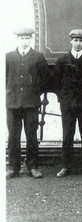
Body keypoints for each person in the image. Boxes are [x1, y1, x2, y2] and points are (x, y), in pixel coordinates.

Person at [53, 29, 82, 177]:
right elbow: (56, 83)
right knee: (67, 135)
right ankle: (66, 166)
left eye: (81, 41)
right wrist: (63, 99)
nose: (78, 44)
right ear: (71, 41)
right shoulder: (62, 61)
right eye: (76, 41)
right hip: (68, 106)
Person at [6, 27, 51, 179]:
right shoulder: (8, 57)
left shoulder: (38, 57)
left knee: (31, 135)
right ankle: (13, 166)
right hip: (13, 102)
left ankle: (33, 166)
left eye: (27, 39)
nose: (24, 42)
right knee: (13, 136)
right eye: (21, 38)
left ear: (30, 39)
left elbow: (45, 79)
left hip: (31, 103)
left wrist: (34, 92)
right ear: (17, 39)